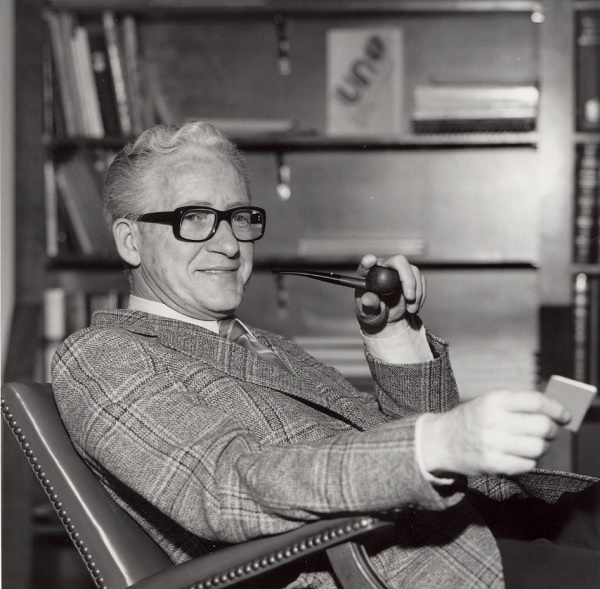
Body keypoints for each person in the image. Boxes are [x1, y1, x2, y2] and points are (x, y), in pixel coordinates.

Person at [52, 122, 600, 589]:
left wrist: (396, 339)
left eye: (239, 217)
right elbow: (224, 487)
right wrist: (441, 444)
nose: (228, 244)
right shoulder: (103, 357)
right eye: (194, 218)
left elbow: (393, 455)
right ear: (130, 241)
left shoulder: (267, 347)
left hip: (498, 521)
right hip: (398, 566)